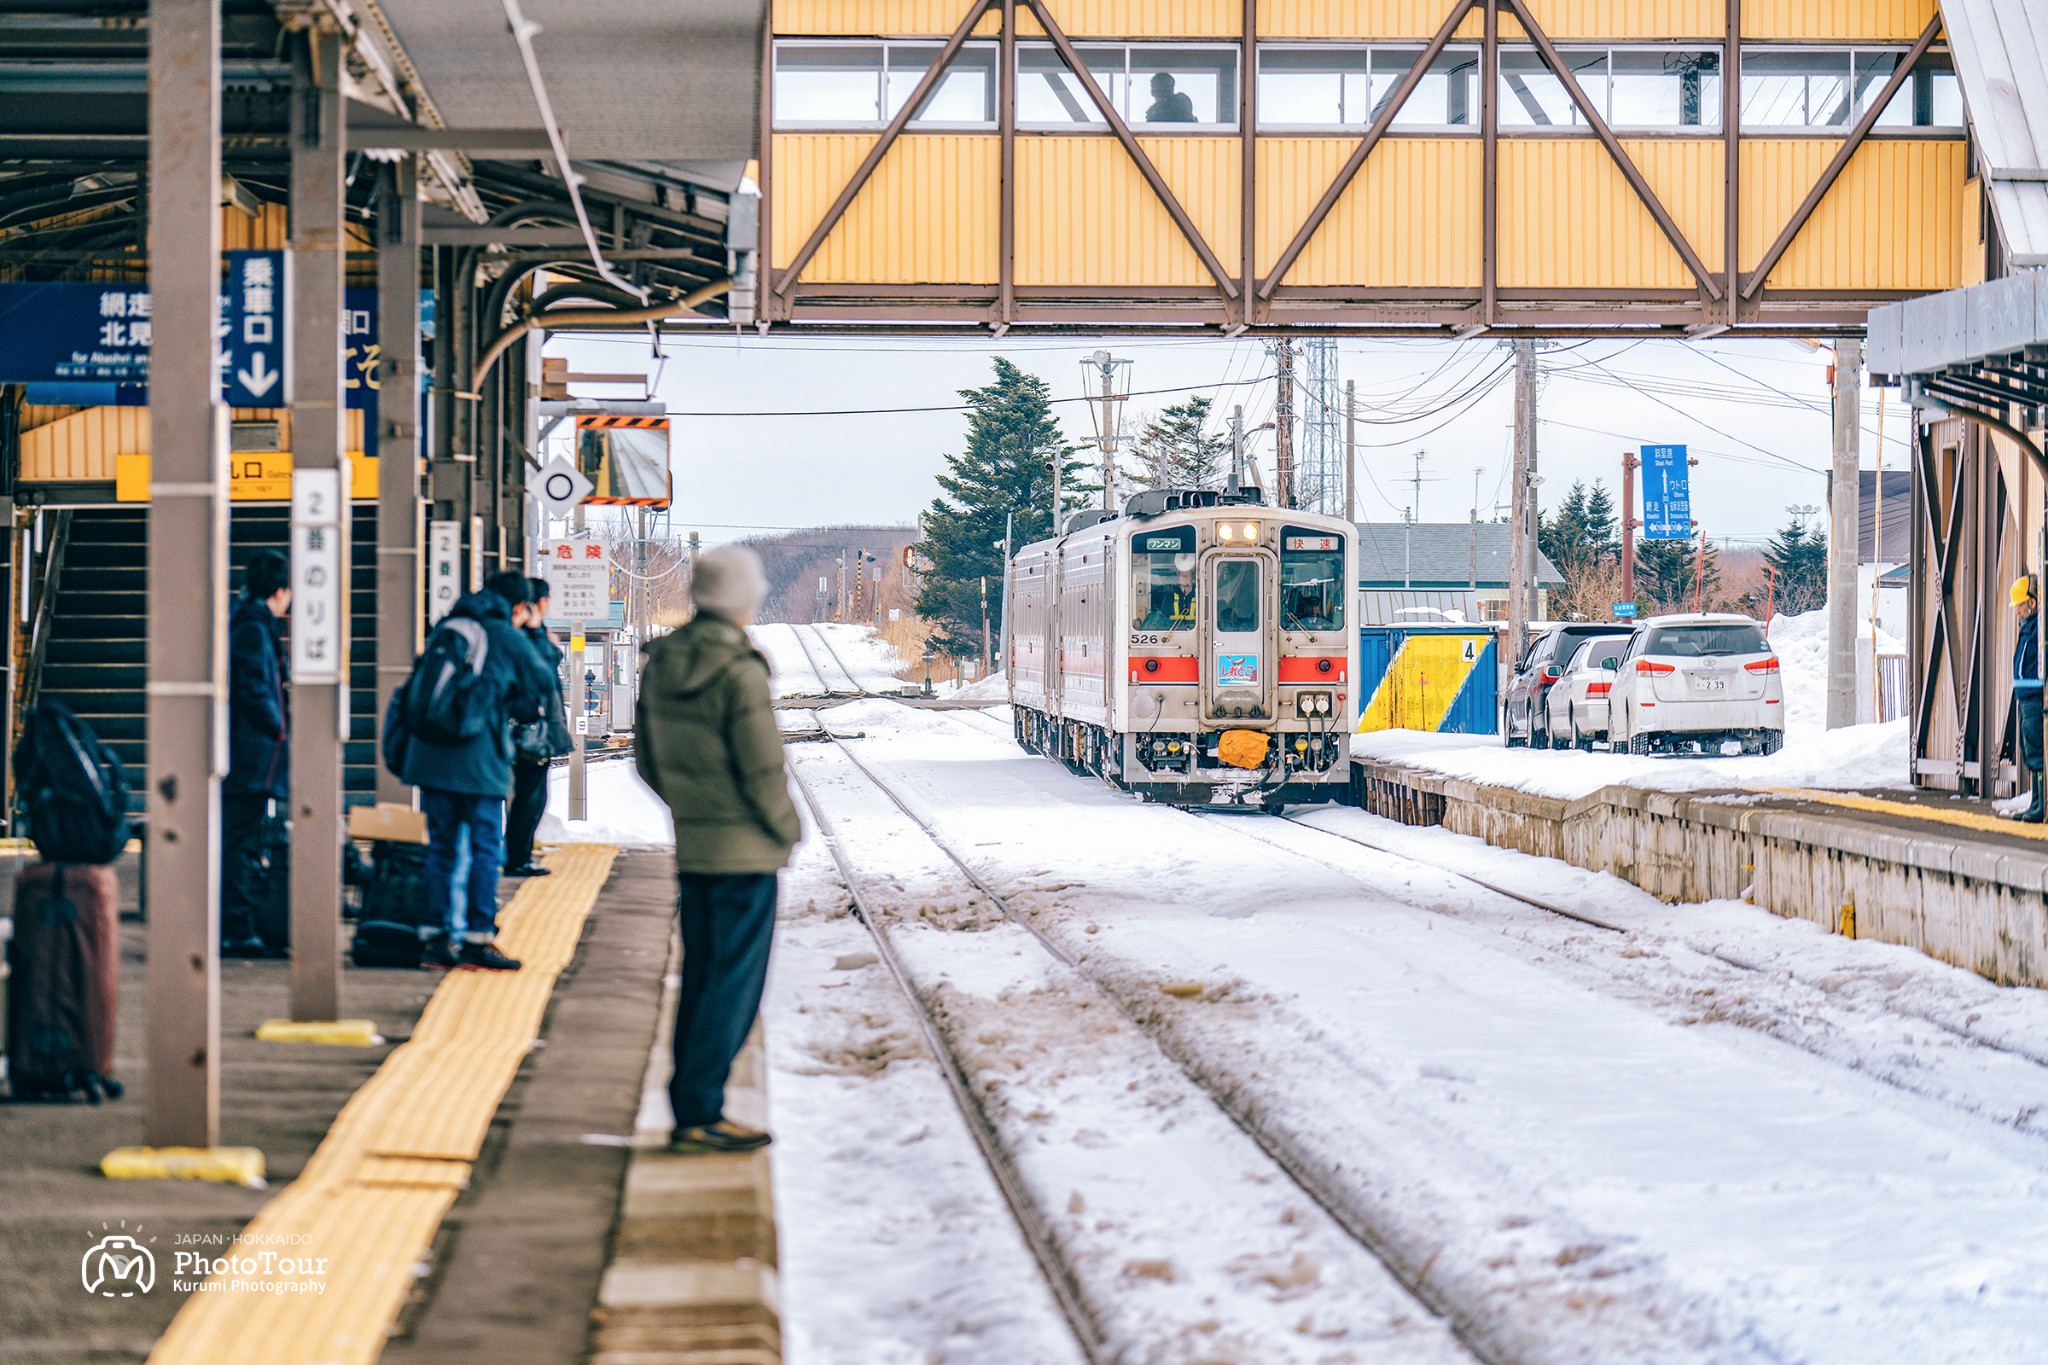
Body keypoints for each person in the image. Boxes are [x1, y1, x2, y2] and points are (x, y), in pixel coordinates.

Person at [636, 547, 799, 1154]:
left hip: (697, 846)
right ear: (741, 598)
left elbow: (648, 761)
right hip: (745, 853)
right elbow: (763, 767)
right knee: (733, 985)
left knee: (702, 976)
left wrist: (691, 807)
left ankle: (693, 1105)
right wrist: (784, 829)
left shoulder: (664, 661)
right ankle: (702, 1112)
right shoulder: (738, 668)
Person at [401, 570, 547, 970]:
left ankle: (434, 936)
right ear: (520, 607)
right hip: (479, 763)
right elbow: (543, 680)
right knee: (486, 849)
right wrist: (533, 631)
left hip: (431, 756)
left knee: (441, 847)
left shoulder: (451, 625)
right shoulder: (507, 634)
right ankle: (477, 938)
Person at [222, 549, 290, 956]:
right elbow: (254, 686)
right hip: (251, 755)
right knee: (240, 842)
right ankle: (237, 926)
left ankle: (237, 923)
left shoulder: (247, 621)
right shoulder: (252, 627)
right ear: (280, 592)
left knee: (238, 839)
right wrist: (277, 728)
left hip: (248, 752)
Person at [505, 575, 571, 876]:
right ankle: (516, 858)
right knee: (529, 797)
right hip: (527, 729)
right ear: (539, 603)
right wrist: (540, 635)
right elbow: (541, 671)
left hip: (530, 728)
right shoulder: (526, 636)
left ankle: (519, 855)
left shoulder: (526, 634)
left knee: (532, 797)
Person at [2014, 574, 2043, 822]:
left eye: (2020, 605)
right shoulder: (2028, 627)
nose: (2018, 611)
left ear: (2031, 602)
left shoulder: (2039, 627)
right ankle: (2035, 801)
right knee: (2028, 750)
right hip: (2024, 696)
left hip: (2034, 696)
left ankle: (2041, 804)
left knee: (2036, 750)